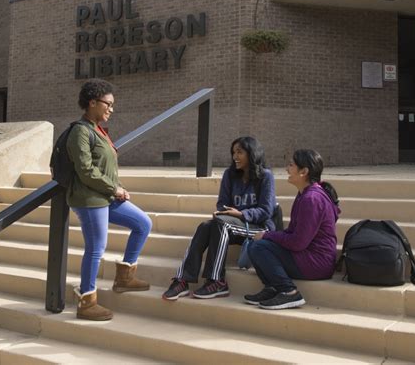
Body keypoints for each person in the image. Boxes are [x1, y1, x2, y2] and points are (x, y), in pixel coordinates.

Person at [67, 79, 152, 321]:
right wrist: (114, 189)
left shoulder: (100, 131)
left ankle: (124, 277)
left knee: (143, 224)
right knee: (96, 249)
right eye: (108, 104)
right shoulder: (80, 131)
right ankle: (87, 301)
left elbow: (105, 167)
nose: (111, 109)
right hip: (89, 199)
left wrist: (118, 187)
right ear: (92, 102)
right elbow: (85, 170)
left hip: (106, 195)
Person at [163, 136, 278, 301]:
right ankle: (183, 279)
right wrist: (224, 212)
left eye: (239, 152)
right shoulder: (230, 175)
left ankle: (217, 281)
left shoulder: (265, 176)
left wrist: (240, 214)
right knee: (205, 226)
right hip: (230, 225)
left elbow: (266, 210)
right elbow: (222, 203)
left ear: (252, 153)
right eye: (233, 152)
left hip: (258, 227)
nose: (235, 156)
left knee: (221, 224)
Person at [244, 149, 340, 310]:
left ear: (304, 171)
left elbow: (297, 243)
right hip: (308, 256)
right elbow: (292, 233)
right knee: (257, 245)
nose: (287, 169)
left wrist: (267, 235)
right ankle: (273, 288)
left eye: (291, 165)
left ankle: (288, 292)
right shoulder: (305, 194)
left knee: (259, 247)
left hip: (317, 263)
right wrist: (268, 236)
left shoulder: (312, 199)